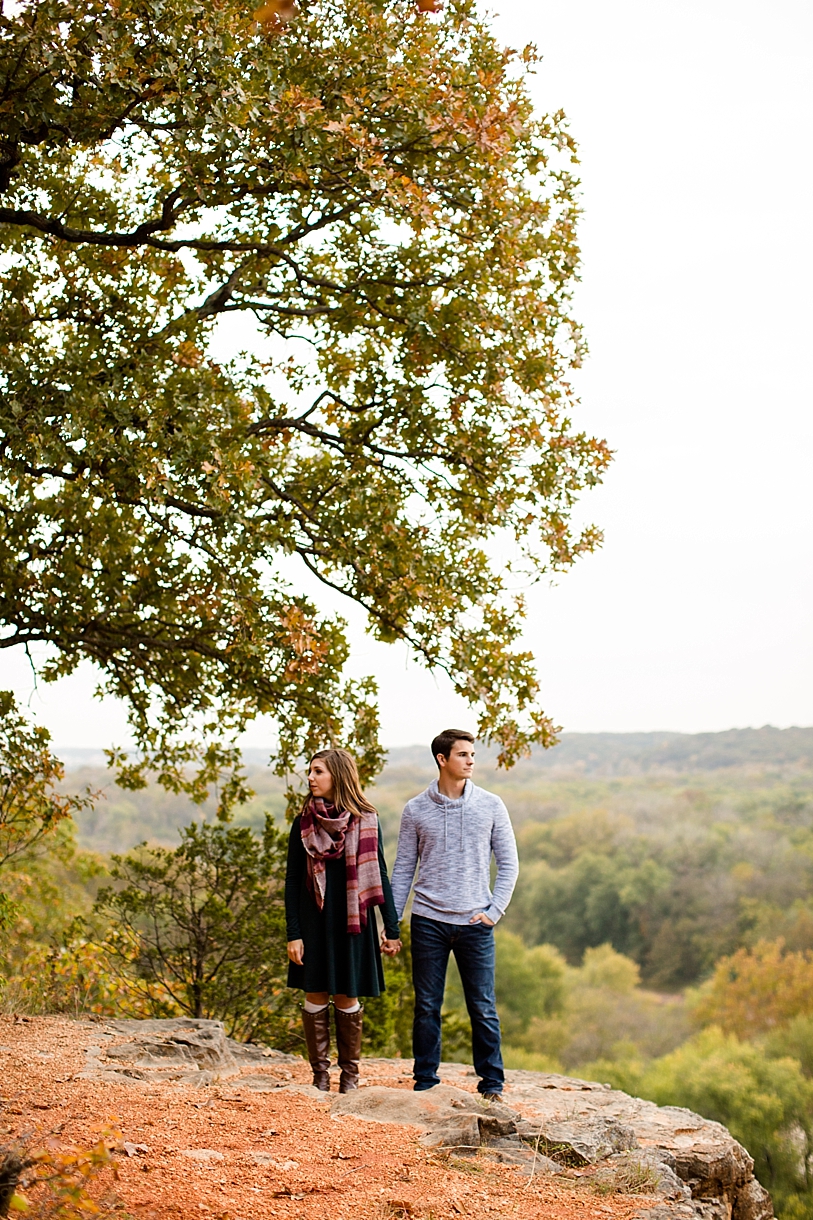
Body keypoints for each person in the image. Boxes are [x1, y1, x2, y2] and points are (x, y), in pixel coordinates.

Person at [390, 729, 519, 1099]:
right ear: (442, 759)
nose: (471, 761)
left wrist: (495, 911)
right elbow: (403, 870)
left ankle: (492, 1084)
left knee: (483, 1007)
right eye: (463, 754)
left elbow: (509, 864)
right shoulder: (415, 809)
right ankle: (426, 1081)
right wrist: (393, 925)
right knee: (427, 1006)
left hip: (476, 923)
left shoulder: (491, 805)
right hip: (428, 920)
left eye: (472, 754)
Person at [285, 747, 402, 1093]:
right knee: (316, 994)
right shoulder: (302, 823)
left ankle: (349, 1076)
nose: (310, 778)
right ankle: (320, 1076)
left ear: (338, 775)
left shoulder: (366, 819)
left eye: (318, 771)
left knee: (348, 998)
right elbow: (293, 881)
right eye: (310, 771)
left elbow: (378, 873)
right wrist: (294, 933)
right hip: (313, 922)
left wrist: (391, 928)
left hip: (353, 922)